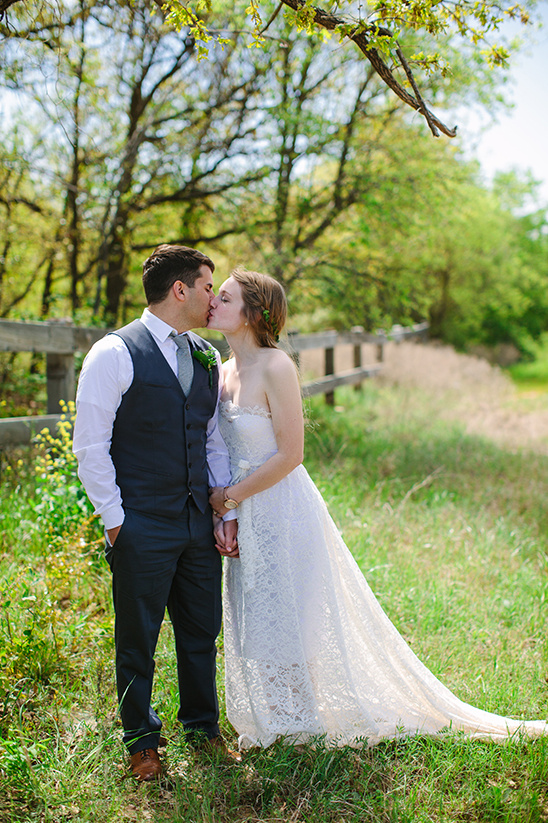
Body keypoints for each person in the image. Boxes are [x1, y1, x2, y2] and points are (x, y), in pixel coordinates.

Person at [207, 267, 548, 751]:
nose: (213, 303)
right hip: (241, 511)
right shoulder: (220, 370)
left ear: (253, 313)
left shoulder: (276, 366)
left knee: (291, 611)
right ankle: (273, 714)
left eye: (225, 297)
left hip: (281, 505)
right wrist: (227, 514)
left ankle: (297, 725)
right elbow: (219, 451)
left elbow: (290, 454)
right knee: (255, 612)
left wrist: (232, 499)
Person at [73, 244, 240, 782]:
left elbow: (211, 437)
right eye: (208, 286)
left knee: (200, 630)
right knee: (137, 637)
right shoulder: (114, 352)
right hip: (140, 522)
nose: (213, 297)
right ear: (180, 290)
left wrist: (218, 508)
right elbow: (89, 446)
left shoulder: (206, 356)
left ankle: (202, 728)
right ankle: (142, 742)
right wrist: (116, 519)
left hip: (196, 521)